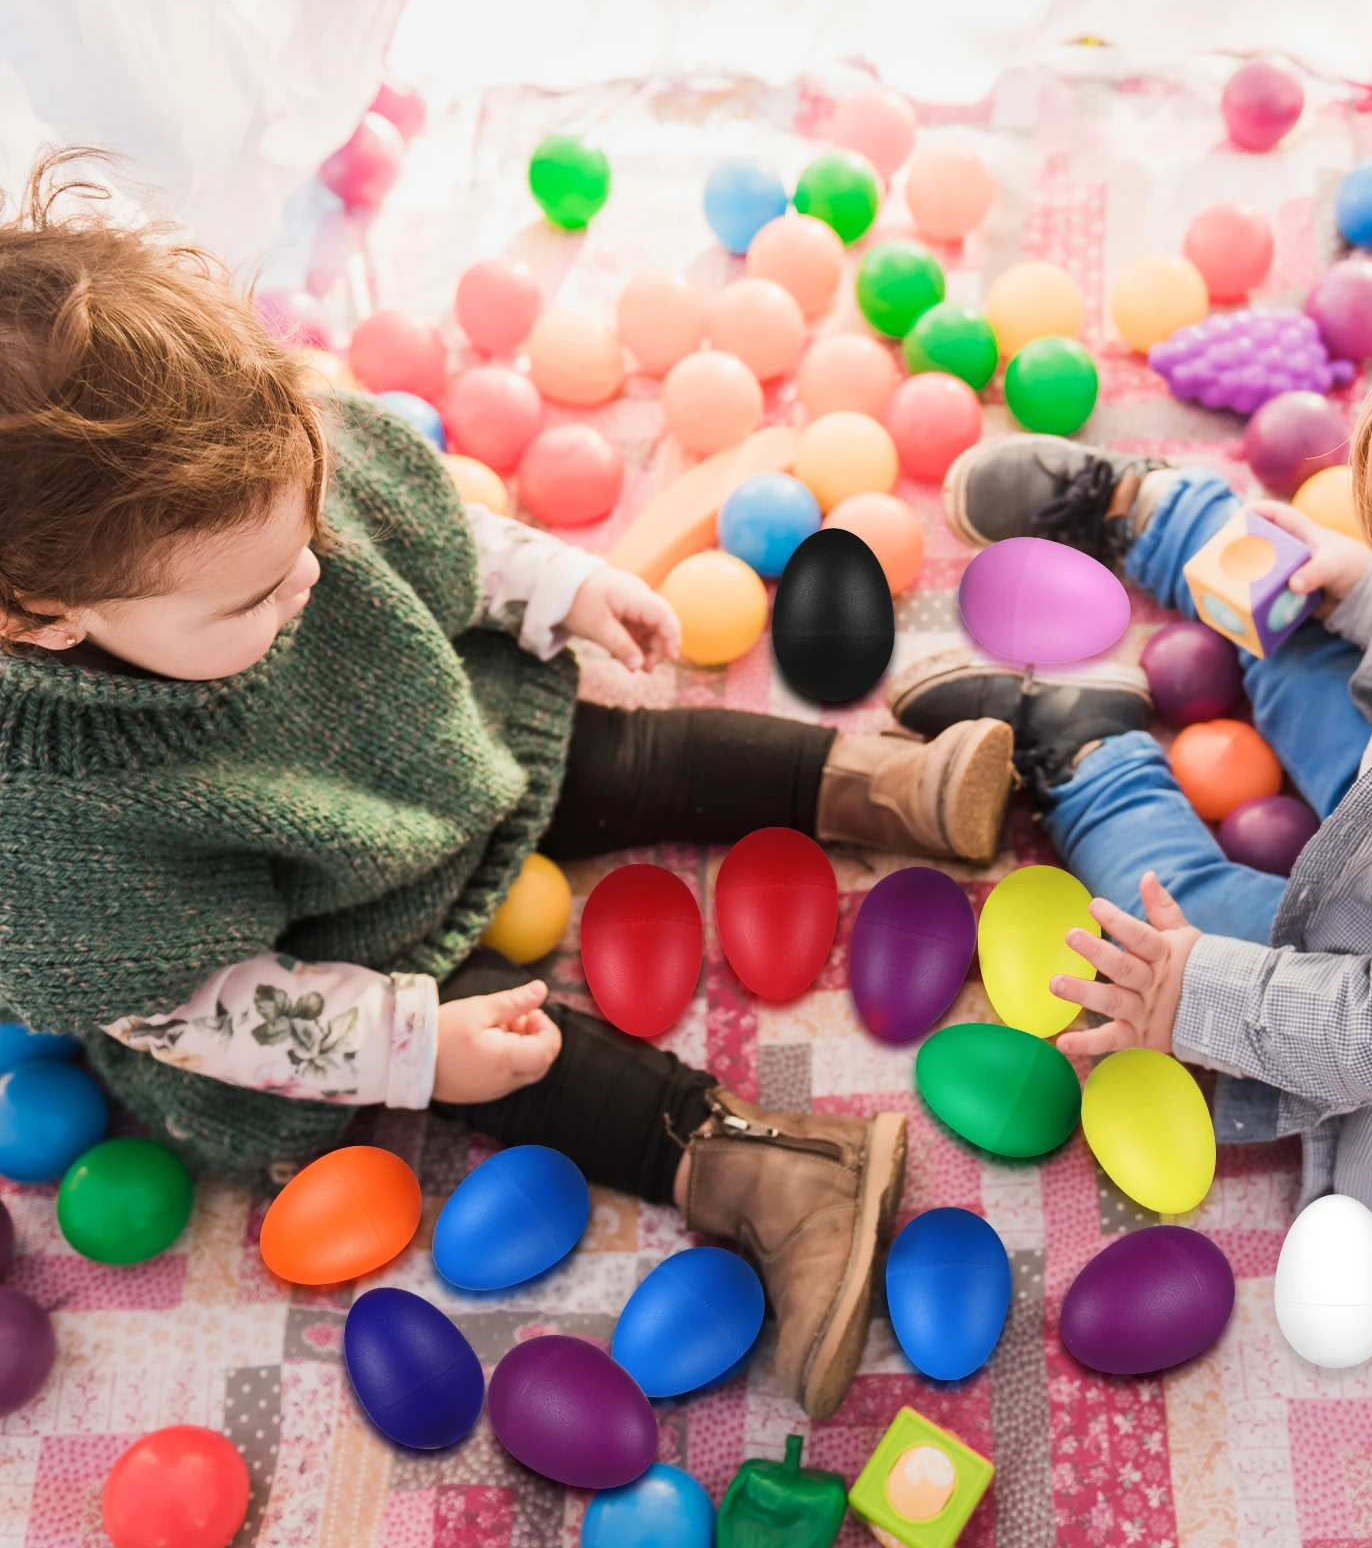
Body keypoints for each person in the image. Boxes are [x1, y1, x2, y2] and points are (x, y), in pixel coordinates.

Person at [0, 154, 1017, 1420]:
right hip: (317, 942)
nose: (307, 579)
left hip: (433, 742)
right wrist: (410, 1043)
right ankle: (773, 1169)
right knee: (512, 1045)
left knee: (622, 745)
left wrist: (555, 587)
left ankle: (885, 783)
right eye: (253, 596)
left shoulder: (260, 473)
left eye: (304, 534)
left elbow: (427, 524)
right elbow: (189, 1006)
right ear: (41, 618)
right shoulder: (46, 821)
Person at [891, 239, 1372, 1224]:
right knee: (1315, 623)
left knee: (1164, 921)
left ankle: (1091, 757)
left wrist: (1193, 992)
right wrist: (1365, 589)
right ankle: (1169, 522)